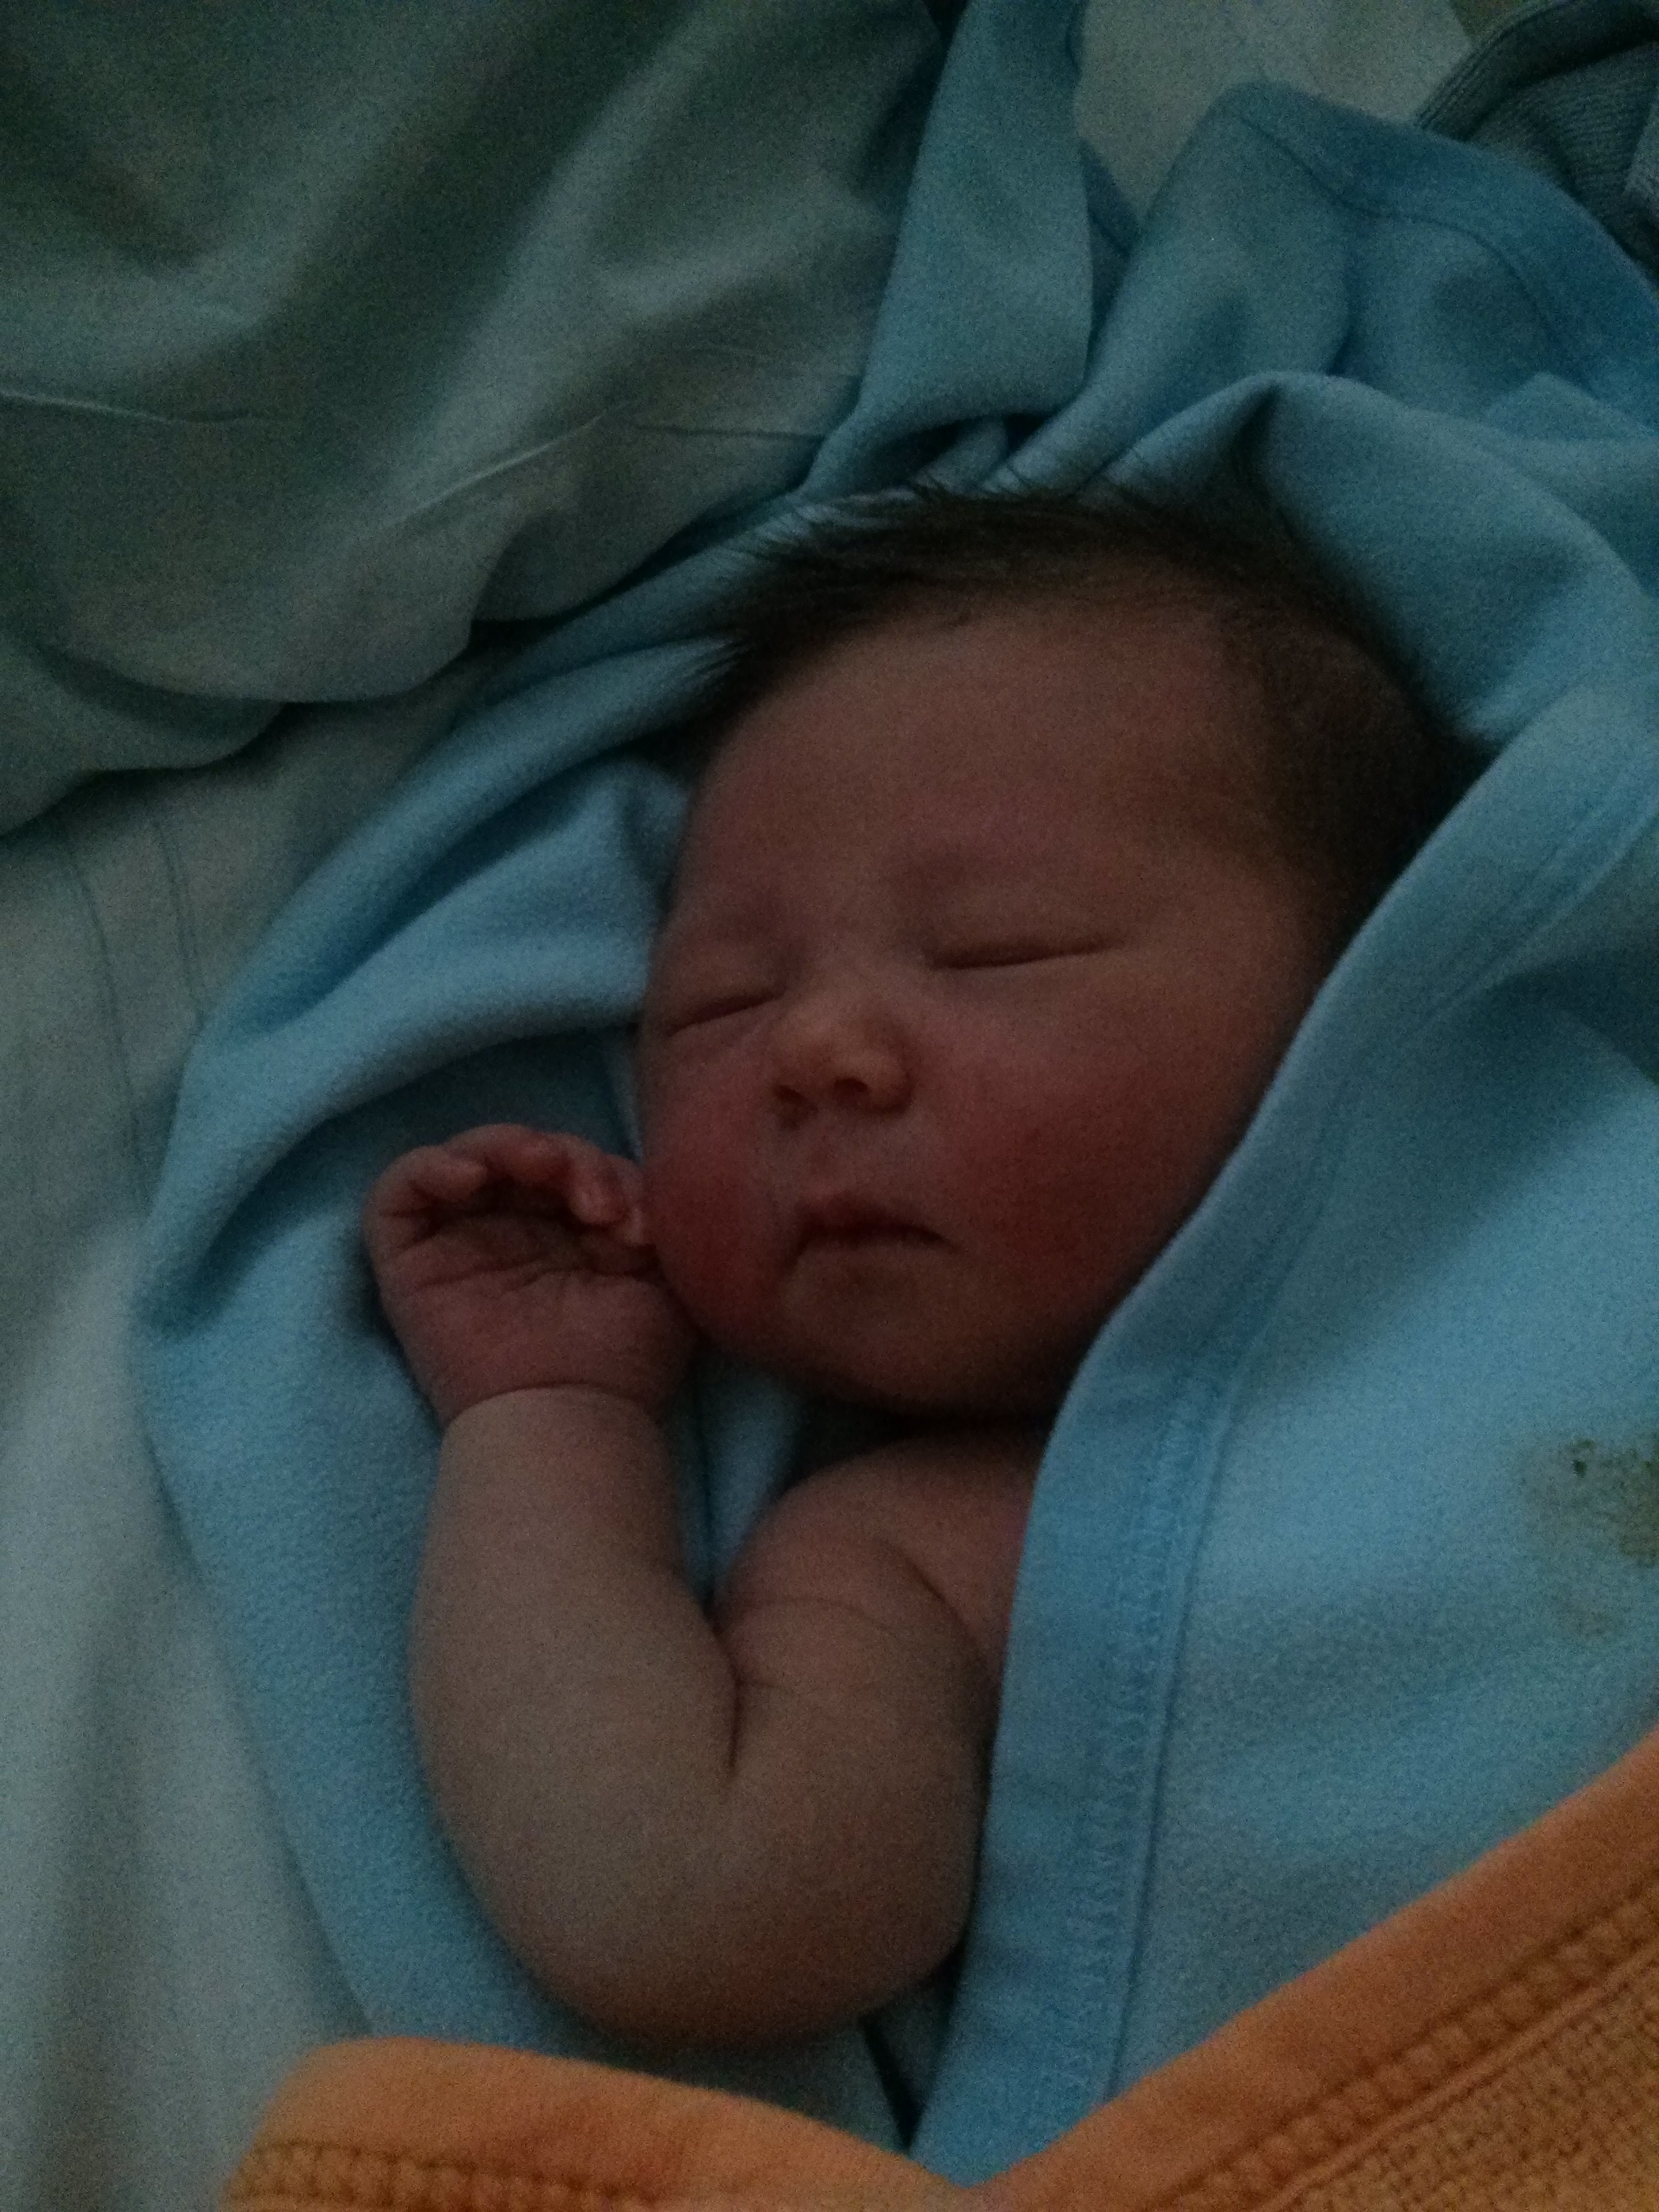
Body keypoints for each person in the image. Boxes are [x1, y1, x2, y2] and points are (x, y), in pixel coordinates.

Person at [363, 487, 1482, 2051]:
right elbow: (681, 1903)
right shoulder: (933, 1558)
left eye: (995, 952)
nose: (814, 1048)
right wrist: (550, 1416)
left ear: (1381, 984)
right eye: (722, 1004)